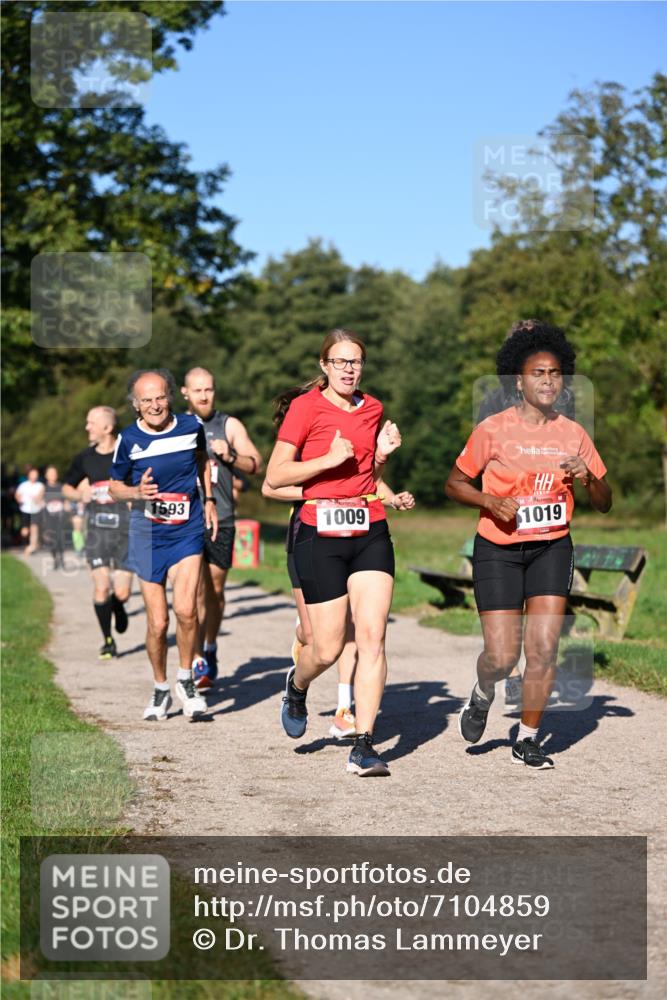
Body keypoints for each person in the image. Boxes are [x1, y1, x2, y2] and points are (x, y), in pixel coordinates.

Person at [445, 320, 612, 770]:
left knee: (543, 649)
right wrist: (489, 501)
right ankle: (483, 692)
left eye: (555, 374)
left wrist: (589, 476)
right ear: (518, 381)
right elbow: (454, 484)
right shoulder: (492, 430)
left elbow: (605, 502)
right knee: (502, 657)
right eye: (538, 373)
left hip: (551, 548)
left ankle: (529, 739)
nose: (548, 381)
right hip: (498, 549)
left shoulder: (573, 433)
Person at [265, 329, 402, 776]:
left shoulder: (373, 408)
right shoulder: (305, 409)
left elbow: (366, 476)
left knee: (372, 637)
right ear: (324, 366)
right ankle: (297, 684)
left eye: (355, 361)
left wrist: (382, 456)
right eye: (340, 361)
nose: (349, 369)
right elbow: (276, 476)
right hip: (318, 532)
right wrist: (327, 460)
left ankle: (364, 744)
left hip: (369, 528)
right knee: (325, 648)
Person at [109, 369, 218, 722]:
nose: (154, 405)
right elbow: (114, 487)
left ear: (170, 396)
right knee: (158, 623)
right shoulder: (128, 439)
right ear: (135, 405)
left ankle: (185, 680)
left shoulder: (190, 427)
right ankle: (160, 687)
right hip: (147, 535)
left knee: (186, 611)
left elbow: (202, 461)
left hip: (186, 529)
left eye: (160, 397)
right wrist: (135, 491)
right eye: (146, 400)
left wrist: (209, 500)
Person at [180, 366, 264, 689]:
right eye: (197, 390)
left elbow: (256, 464)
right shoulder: (177, 426)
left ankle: (210, 646)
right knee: (195, 591)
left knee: (214, 590)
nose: (204, 396)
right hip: (187, 520)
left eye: (209, 389)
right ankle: (196, 658)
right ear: (185, 393)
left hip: (223, 518)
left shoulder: (229, 425)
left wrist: (230, 456)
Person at [63, 407, 134, 659]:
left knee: (122, 593)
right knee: (101, 587)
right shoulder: (85, 458)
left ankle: (118, 605)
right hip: (97, 532)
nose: (87, 427)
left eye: (91, 422)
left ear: (107, 427)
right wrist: (79, 494)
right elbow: (66, 487)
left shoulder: (128, 454)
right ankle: (108, 641)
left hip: (126, 531)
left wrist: (134, 495)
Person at [42, 465, 68, 569]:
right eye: (51, 473)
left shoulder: (61, 487)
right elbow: (39, 500)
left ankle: (61, 557)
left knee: (60, 537)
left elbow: (66, 500)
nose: (53, 475)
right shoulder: (43, 488)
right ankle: (54, 558)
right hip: (48, 517)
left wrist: (67, 506)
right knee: (50, 539)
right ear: (46, 475)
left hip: (60, 516)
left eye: (54, 473)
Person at [15, 466, 45, 554]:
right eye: (33, 474)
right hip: (25, 510)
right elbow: (17, 495)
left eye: (36, 474)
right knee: (25, 531)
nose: (34, 476)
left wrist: (38, 500)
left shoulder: (40, 485)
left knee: (34, 529)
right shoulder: (23, 485)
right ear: (29, 475)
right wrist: (19, 500)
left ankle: (32, 547)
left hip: (36, 510)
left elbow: (40, 497)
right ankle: (26, 544)